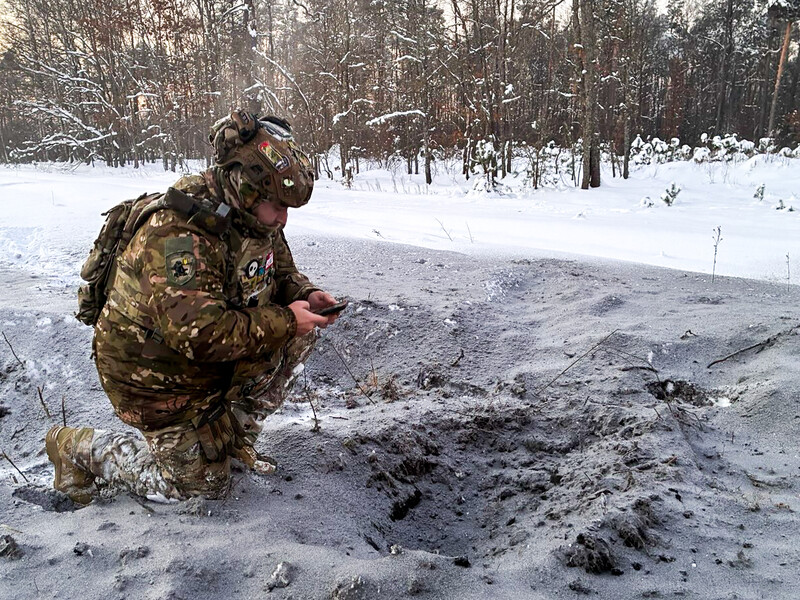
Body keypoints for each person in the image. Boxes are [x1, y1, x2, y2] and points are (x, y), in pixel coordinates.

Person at [45, 110, 340, 504]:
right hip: (153, 379)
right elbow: (197, 334)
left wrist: (304, 293)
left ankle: (228, 442)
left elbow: (277, 269)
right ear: (244, 187)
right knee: (200, 490)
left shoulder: (254, 218)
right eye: (277, 206)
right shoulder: (180, 230)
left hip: (204, 365)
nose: (283, 219)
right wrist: (286, 319)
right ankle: (75, 447)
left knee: (298, 333)